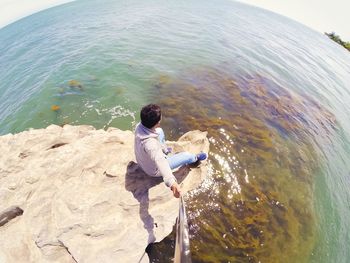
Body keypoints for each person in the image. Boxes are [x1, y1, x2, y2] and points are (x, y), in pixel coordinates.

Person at [134, 104, 207, 198]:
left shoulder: (139, 126)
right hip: (154, 170)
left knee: (159, 131)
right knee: (186, 155)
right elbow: (161, 162)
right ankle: (195, 158)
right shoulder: (151, 145)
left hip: (143, 160)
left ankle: (164, 150)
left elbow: (153, 145)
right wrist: (172, 183)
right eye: (160, 118)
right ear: (157, 122)